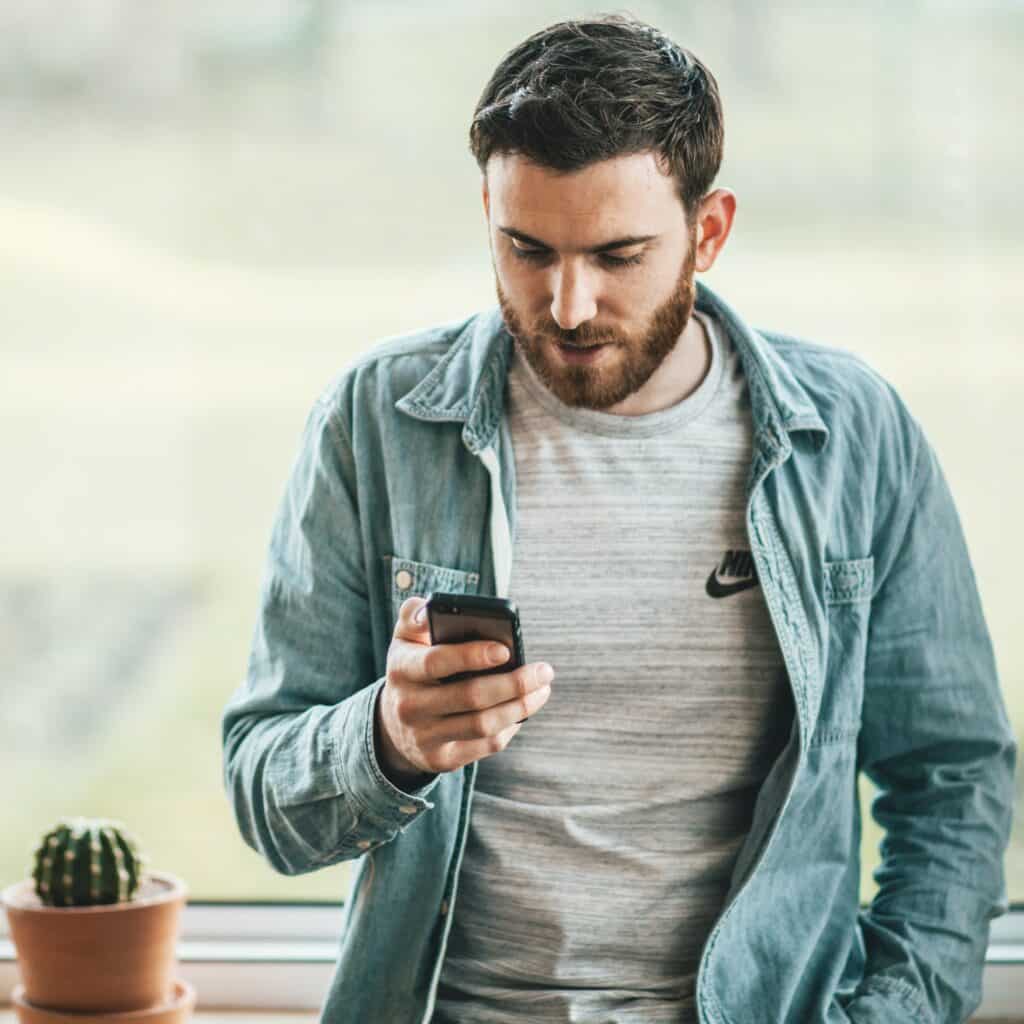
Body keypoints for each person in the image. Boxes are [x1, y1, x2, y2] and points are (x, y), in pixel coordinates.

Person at [220, 14, 1016, 1024]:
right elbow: (263, 793)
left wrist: (891, 1013)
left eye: (618, 254)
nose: (565, 304)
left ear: (709, 231)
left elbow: (952, 780)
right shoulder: (374, 423)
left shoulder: (855, 438)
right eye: (525, 248)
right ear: (486, 213)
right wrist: (387, 738)